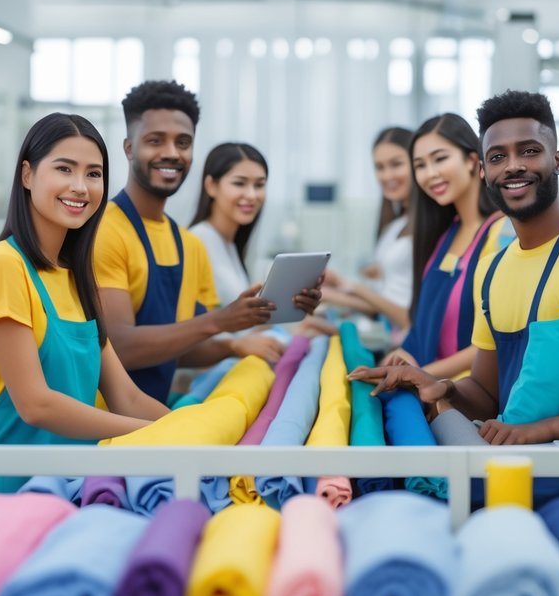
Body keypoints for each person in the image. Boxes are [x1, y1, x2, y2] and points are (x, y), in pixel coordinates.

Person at [350, 91, 559, 449]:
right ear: (483, 171)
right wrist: (437, 384)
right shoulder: (495, 270)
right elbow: (486, 393)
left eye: (529, 151)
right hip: (516, 468)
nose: (512, 166)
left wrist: (545, 429)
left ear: (557, 161)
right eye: (497, 157)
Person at [0, 113, 169, 456]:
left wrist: (193, 428)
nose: (80, 186)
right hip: (14, 486)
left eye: (93, 174)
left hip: (71, 481)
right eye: (64, 169)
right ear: (27, 175)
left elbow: (126, 397)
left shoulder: (74, 276)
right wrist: (157, 434)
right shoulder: (4, 268)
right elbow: (35, 404)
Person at [96, 80, 320, 403]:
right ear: (129, 147)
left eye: (183, 142)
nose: (172, 153)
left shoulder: (189, 246)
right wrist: (220, 321)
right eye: (155, 141)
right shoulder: (106, 230)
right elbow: (120, 347)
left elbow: (182, 349)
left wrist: (238, 332)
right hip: (102, 433)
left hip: (148, 421)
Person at [383, 113, 507, 379]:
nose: (430, 174)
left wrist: (422, 375)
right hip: (431, 389)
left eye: (440, 159)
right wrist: (405, 356)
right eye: (420, 165)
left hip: (468, 398)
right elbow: (423, 323)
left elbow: (495, 342)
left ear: (473, 161)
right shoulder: (446, 233)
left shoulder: (501, 234)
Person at [321, 126, 414, 331]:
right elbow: (382, 303)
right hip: (388, 330)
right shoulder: (394, 227)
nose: (386, 175)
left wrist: (350, 288)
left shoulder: (427, 228)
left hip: (402, 336)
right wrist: (336, 289)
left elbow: (407, 314)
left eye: (396, 164)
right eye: (379, 167)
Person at [189, 142, 272, 309]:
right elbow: (192, 326)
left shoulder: (229, 244)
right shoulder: (197, 241)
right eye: (239, 183)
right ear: (211, 186)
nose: (252, 195)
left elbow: (236, 328)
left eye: (259, 185)